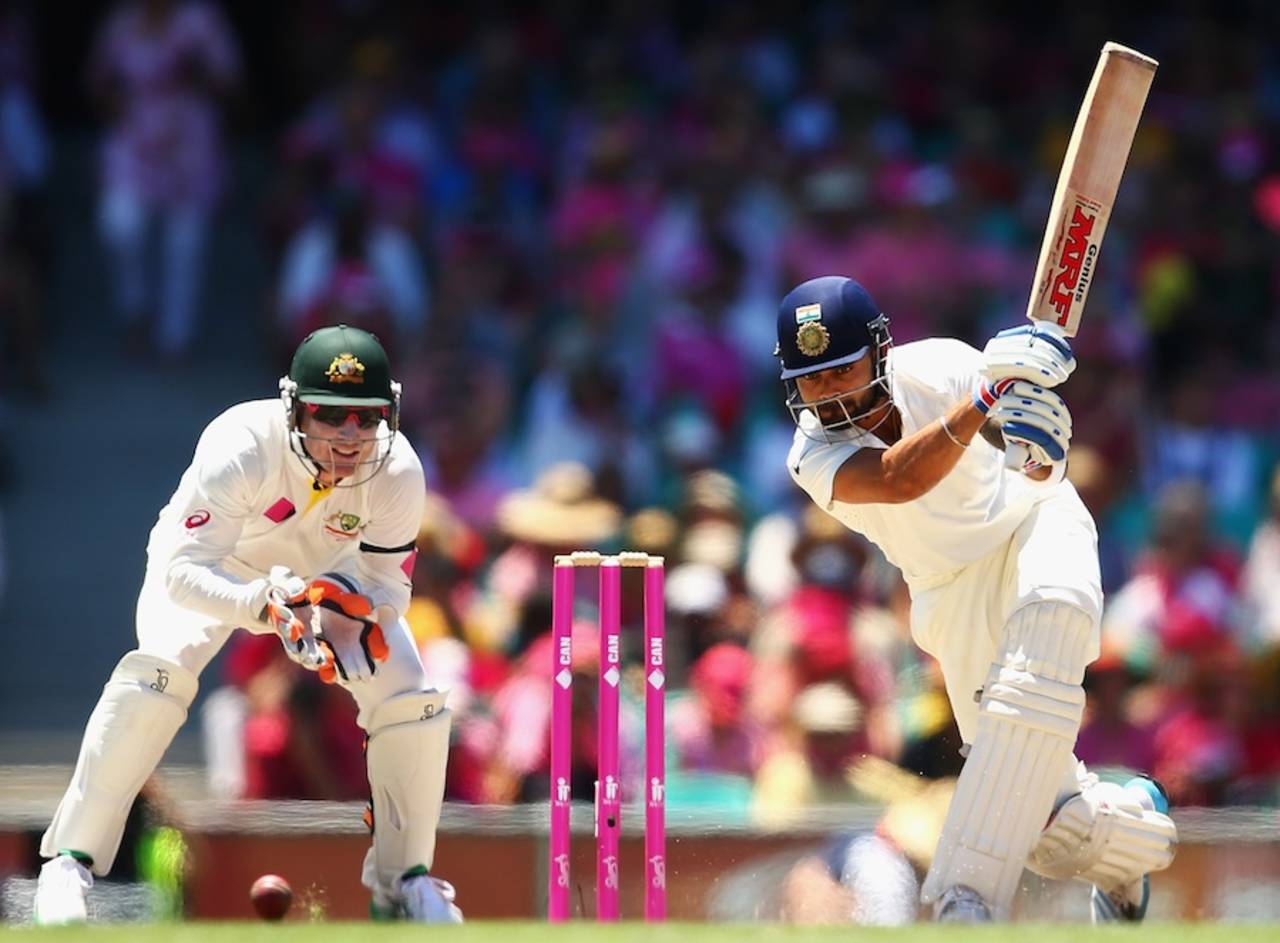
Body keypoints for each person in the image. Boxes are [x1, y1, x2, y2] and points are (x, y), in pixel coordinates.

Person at [775, 275, 1177, 922]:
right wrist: (987, 398)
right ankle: (1135, 832)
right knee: (1040, 821)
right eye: (811, 378)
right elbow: (899, 477)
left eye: (840, 370)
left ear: (879, 352)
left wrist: (1043, 449)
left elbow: (1036, 465)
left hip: (1031, 522)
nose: (828, 392)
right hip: (948, 590)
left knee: (1047, 630)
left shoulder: (945, 366)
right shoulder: (811, 452)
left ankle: (966, 900)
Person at [34, 325, 461, 924]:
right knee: (156, 677)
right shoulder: (242, 443)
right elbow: (182, 572)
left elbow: (388, 586)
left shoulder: (398, 471)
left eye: (366, 418)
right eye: (329, 414)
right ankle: (67, 867)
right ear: (294, 407)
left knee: (412, 701)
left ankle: (407, 884)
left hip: (325, 583)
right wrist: (262, 605)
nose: (350, 435)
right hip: (216, 566)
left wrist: (342, 609)